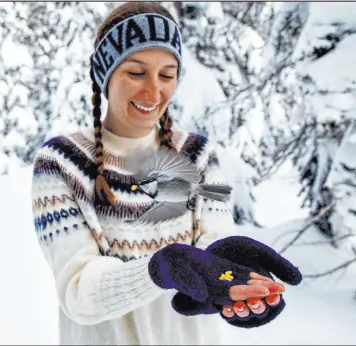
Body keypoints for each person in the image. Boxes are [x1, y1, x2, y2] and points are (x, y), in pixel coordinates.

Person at [31, 2, 299, 344]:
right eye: (136, 72)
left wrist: (235, 282)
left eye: (167, 74)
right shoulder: (62, 160)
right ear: (105, 74)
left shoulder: (198, 155)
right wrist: (159, 269)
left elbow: (211, 246)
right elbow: (79, 292)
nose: (153, 91)